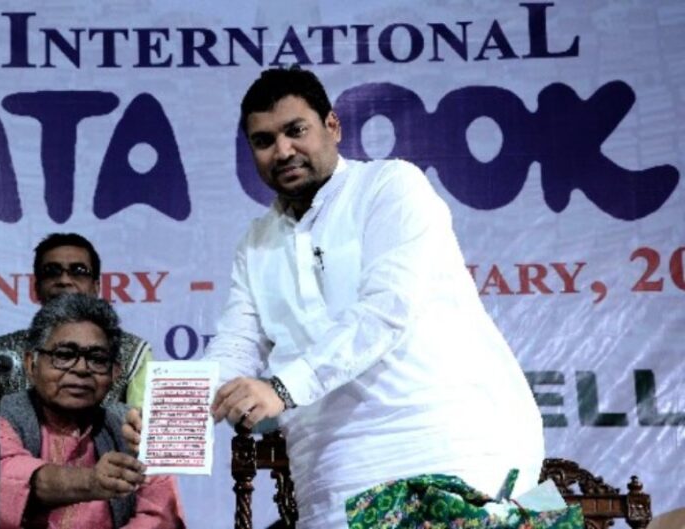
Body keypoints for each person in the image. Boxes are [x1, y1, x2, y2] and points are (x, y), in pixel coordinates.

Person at [125, 67, 545, 528]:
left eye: (295, 130)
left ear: (333, 127)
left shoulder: (390, 187)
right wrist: (170, 421)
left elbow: (386, 311)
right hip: (331, 472)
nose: (282, 150)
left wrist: (282, 388)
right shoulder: (257, 242)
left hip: (445, 446)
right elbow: (237, 346)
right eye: (264, 141)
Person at [0, 293, 185, 529]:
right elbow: (0, 480)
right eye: (64, 355)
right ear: (31, 364)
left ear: (115, 373)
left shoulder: (129, 427)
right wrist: (91, 481)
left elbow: (160, 514)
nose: (81, 369)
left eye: (97, 358)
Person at [0, 233, 151, 435]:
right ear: (36, 288)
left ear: (96, 286)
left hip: (104, 461)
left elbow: (143, 428)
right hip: (15, 460)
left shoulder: (134, 352)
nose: (64, 280)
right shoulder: (0, 353)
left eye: (79, 271)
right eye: (52, 272)